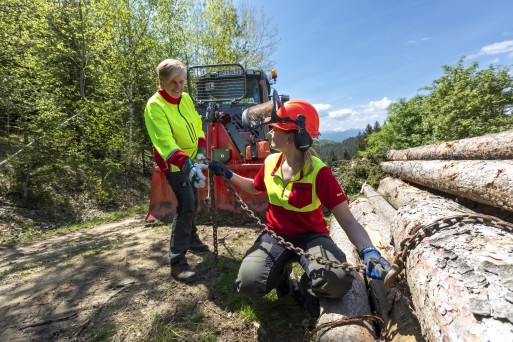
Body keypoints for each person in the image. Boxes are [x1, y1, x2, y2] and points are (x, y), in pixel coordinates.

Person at [209, 99, 392, 317]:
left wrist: (368, 250)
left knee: (338, 283)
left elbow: (348, 220)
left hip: (311, 237)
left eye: (274, 128)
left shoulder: (319, 172)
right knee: (248, 284)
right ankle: (281, 274)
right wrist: (228, 173)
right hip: (275, 235)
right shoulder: (271, 162)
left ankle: (308, 286)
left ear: (291, 136)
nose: (268, 133)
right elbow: (255, 187)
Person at [144, 59, 210, 282]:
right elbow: (164, 141)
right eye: (173, 82)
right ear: (161, 81)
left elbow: (197, 123)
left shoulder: (186, 99)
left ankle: (192, 238)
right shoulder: (155, 106)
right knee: (186, 203)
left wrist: (200, 147)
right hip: (173, 163)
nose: (178, 87)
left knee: (194, 200)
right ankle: (177, 261)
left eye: (182, 82)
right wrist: (186, 163)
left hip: (192, 159)